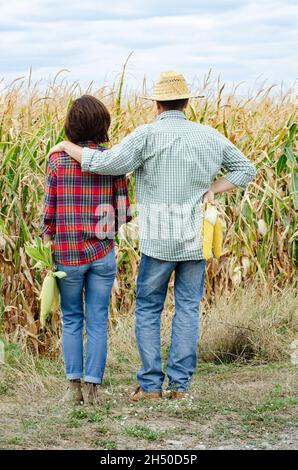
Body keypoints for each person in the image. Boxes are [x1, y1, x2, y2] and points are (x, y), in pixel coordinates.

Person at [48, 71, 256, 401]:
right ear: (187, 103)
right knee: (187, 309)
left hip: (158, 239)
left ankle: (149, 385)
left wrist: (66, 146)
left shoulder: (145, 135)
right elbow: (247, 169)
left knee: (147, 309)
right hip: (193, 241)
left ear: (157, 103)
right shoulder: (209, 136)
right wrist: (211, 188)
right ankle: (179, 387)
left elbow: (108, 163)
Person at [42, 95, 131, 405]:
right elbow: (124, 211)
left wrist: (47, 242)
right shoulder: (113, 161)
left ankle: (73, 388)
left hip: (67, 255)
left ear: (72, 125)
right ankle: (93, 389)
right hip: (102, 253)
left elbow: (49, 213)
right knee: (96, 321)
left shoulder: (57, 160)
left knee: (71, 319)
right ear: (102, 124)